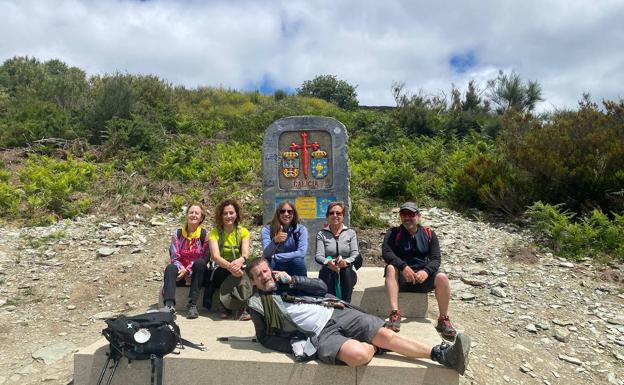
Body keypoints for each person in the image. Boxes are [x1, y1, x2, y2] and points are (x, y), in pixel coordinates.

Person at [246, 258, 470, 374]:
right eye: (258, 275)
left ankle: (442, 354)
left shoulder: (288, 282)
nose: (264, 276)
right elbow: (265, 337)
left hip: (335, 311)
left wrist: (294, 280)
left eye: (266, 271)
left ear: (270, 270)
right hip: (317, 335)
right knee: (358, 355)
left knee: (387, 335)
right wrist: (297, 343)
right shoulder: (256, 304)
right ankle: (373, 344)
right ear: (253, 281)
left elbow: (321, 287)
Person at [382, 202, 456, 339]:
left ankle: (443, 319)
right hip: (402, 278)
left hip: (422, 278)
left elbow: (436, 259)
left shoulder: (429, 234)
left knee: (442, 277)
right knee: (391, 268)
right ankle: (394, 313)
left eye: (411, 214)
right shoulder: (393, 233)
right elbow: (387, 253)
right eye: (404, 214)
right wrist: (403, 267)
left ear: (418, 216)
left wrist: (426, 271)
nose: (407, 218)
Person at [206, 199, 252, 320]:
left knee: (246, 273)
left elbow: (245, 254)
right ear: (220, 216)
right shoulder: (214, 233)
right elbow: (215, 256)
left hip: (238, 264)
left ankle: (241, 307)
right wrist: (230, 267)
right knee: (225, 273)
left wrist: (239, 261)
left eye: (231, 213)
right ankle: (225, 306)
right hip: (221, 267)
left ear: (236, 214)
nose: (228, 216)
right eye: (225, 213)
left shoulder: (243, 232)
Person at [162, 203, 210, 319]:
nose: (193, 215)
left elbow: (205, 257)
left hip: (197, 275)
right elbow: (174, 256)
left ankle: (192, 304)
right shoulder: (177, 234)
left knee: (200, 264)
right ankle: (169, 306)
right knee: (170, 268)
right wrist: (182, 270)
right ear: (187, 215)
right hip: (180, 274)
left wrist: (188, 271)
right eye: (191, 212)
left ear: (201, 218)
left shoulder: (205, 235)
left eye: (196, 213)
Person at [314, 202, 361, 303]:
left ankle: (347, 304)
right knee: (327, 272)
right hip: (329, 269)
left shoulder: (350, 233)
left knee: (346, 271)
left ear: (343, 216)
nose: (335, 215)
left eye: (338, 213)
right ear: (327, 216)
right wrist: (328, 262)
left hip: (347, 270)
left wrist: (346, 262)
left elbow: (355, 254)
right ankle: (330, 303)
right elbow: (319, 256)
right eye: (332, 213)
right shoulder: (321, 234)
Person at [260, 201, 308, 276]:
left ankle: (301, 286)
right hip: (275, 265)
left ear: (294, 214)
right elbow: (266, 254)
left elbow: (301, 253)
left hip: (292, 265)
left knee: (298, 261)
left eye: (290, 211)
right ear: (278, 213)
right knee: (268, 261)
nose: (286, 214)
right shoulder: (267, 229)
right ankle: (271, 286)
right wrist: (275, 241)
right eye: (282, 211)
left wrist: (277, 256)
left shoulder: (301, 229)